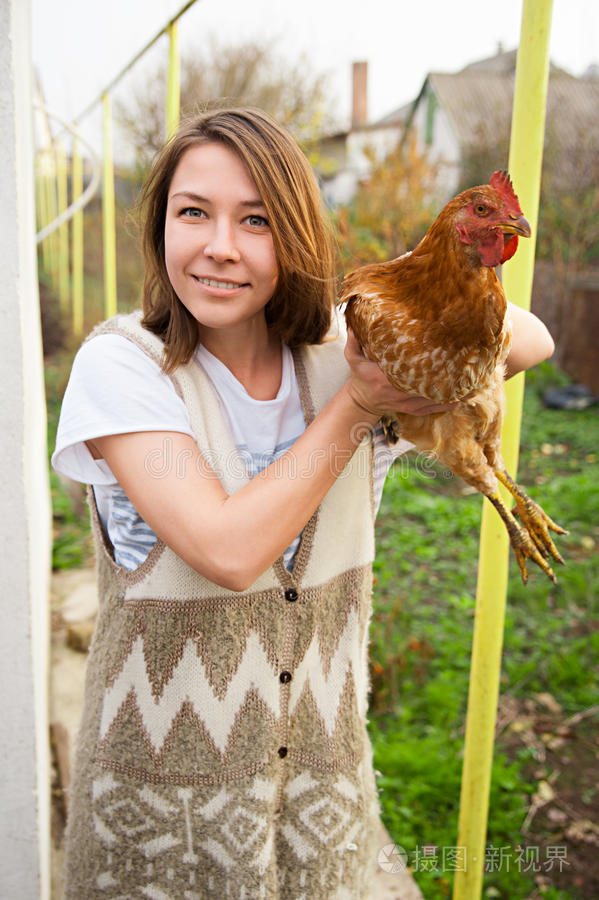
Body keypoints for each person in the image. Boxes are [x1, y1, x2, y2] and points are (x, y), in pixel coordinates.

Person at [52, 107, 554, 899]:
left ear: (295, 235)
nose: (220, 246)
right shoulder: (124, 368)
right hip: (159, 830)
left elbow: (530, 340)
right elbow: (226, 551)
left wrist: (418, 278)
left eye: (256, 220)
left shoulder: (349, 348)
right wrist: (356, 405)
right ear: (158, 230)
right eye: (193, 213)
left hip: (322, 815)